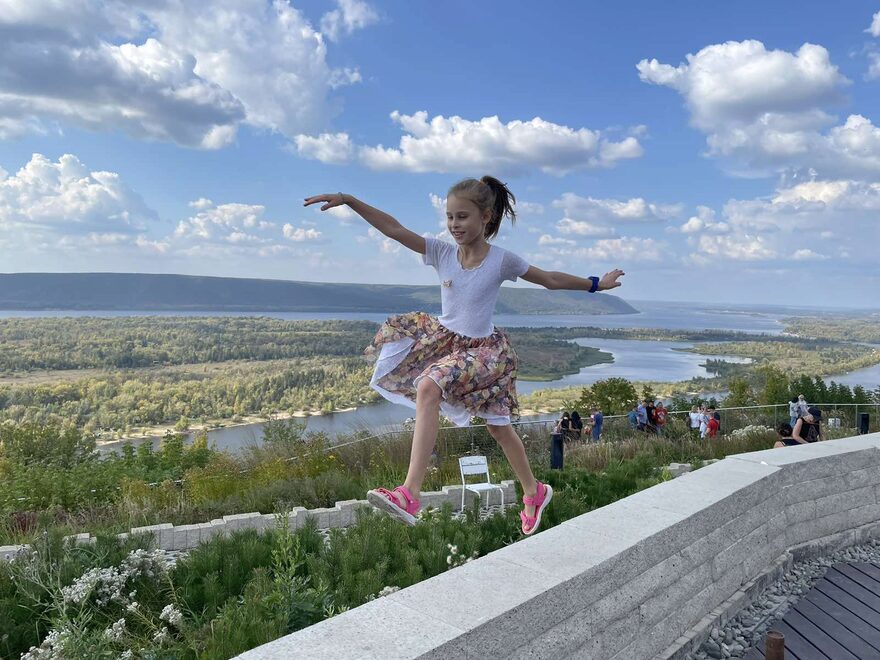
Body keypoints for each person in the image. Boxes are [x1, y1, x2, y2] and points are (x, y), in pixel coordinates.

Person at [303, 179, 624, 536]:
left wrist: (597, 283)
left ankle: (409, 494)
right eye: (450, 217)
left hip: (487, 353)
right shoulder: (441, 253)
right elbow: (394, 229)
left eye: (463, 217)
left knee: (434, 389)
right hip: (449, 345)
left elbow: (548, 278)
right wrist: (349, 200)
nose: (455, 224)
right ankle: (534, 492)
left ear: (485, 217)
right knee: (495, 426)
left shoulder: (501, 260)